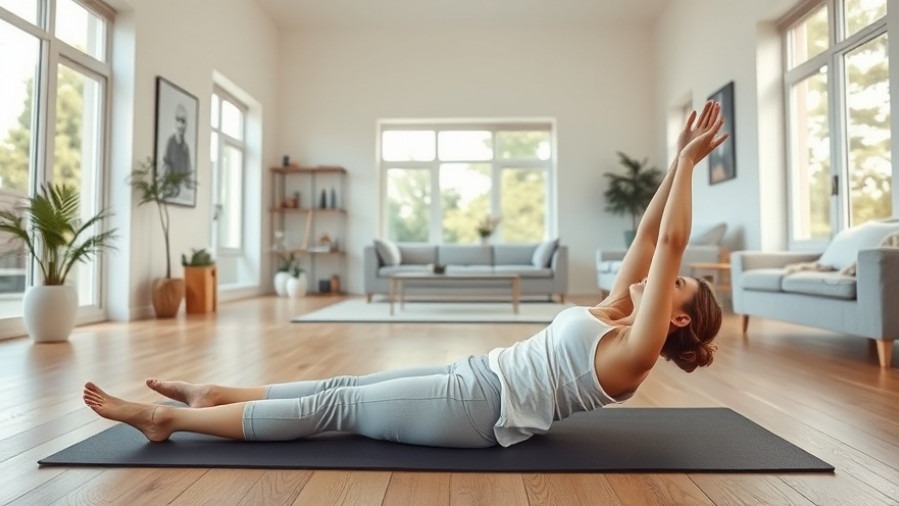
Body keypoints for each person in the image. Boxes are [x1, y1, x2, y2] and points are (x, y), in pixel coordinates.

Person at [84, 101, 728, 449]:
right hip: (475, 375)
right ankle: (216, 395)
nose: (662, 273)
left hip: (480, 411)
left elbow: (671, 237)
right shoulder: (618, 310)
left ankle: (169, 421)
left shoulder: (636, 352)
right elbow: (650, 233)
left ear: (675, 319)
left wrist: (693, 166)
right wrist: (675, 161)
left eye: (677, 283)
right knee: (343, 382)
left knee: (334, 408)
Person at [163, 104, 192, 177]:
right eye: (178, 120)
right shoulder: (170, 143)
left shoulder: (186, 148)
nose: (180, 125)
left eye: (183, 121)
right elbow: (165, 168)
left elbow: (188, 173)